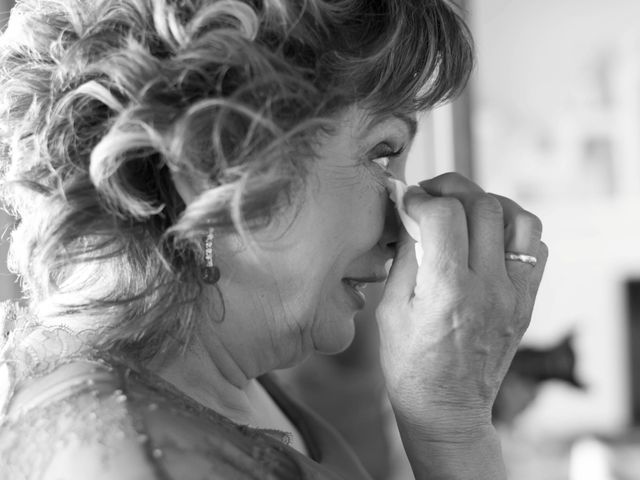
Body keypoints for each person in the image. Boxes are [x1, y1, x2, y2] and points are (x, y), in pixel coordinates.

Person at [0, 0, 548, 478]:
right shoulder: (139, 457)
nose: (400, 225)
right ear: (215, 163)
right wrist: (453, 429)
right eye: (382, 151)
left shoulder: (230, 390)